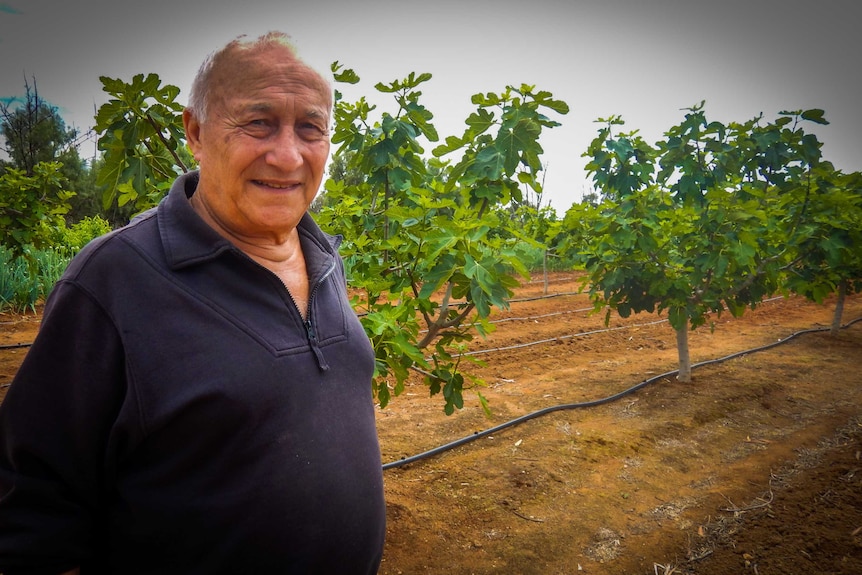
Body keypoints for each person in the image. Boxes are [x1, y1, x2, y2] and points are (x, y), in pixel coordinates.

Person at [0, 32, 386, 574]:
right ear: (196, 132)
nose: (288, 154)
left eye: (310, 128)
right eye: (258, 122)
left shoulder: (323, 257)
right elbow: (33, 507)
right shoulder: (113, 277)